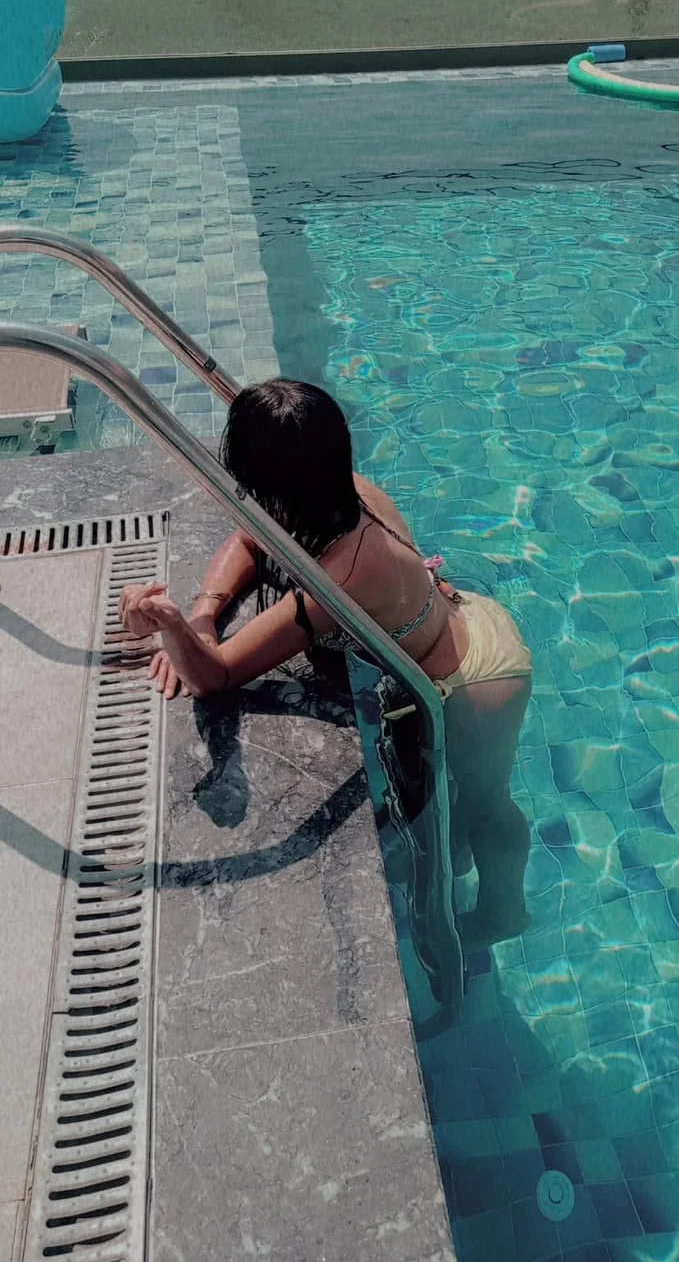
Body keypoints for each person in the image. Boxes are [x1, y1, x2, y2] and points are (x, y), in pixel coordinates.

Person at [118, 378, 533, 946]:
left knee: (488, 807)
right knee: (456, 810)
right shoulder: (343, 494)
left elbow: (215, 677)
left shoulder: (341, 577)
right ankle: (460, 861)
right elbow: (248, 540)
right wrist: (203, 615)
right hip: (461, 624)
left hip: (479, 683)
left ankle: (507, 912)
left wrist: (171, 629)